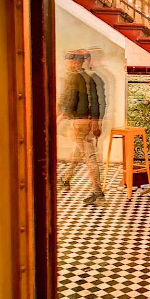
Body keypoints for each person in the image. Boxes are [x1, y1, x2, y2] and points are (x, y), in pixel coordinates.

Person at [57, 52, 104, 206]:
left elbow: (67, 101)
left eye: (68, 61)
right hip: (88, 122)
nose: (66, 64)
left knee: (90, 156)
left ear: (74, 63)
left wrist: (60, 116)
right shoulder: (89, 77)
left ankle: (97, 192)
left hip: (78, 122)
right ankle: (66, 179)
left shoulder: (72, 77)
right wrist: (96, 122)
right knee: (78, 152)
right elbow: (96, 102)